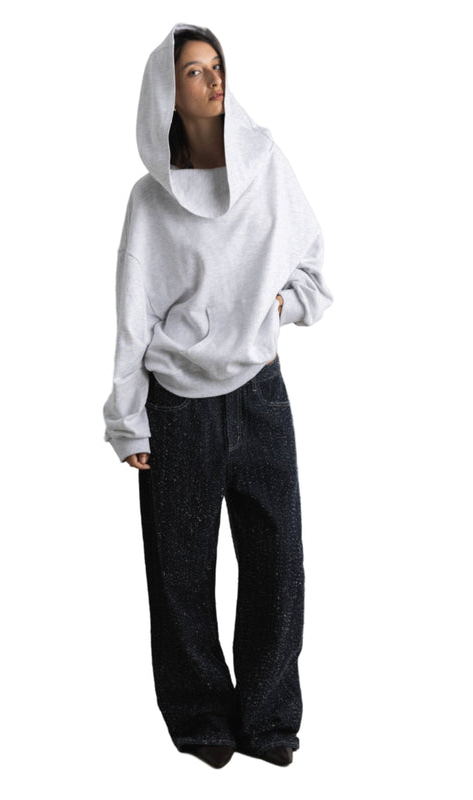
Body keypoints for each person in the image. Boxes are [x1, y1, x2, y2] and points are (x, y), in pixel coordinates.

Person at [103, 22, 333, 769]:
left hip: (260, 394)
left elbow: (313, 270)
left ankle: (269, 718)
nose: (213, 81)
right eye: (194, 72)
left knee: (278, 563)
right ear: (166, 94)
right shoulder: (149, 201)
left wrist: (276, 308)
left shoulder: (267, 166)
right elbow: (132, 316)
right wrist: (127, 419)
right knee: (179, 572)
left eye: (216, 66)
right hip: (175, 407)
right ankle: (201, 716)